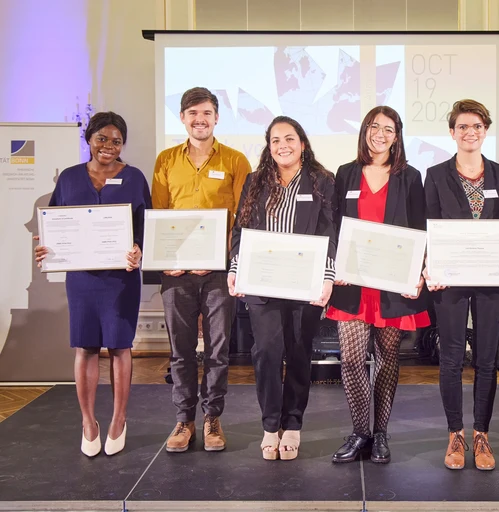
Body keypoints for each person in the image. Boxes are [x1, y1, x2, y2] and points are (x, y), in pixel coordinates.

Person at [34, 112, 150, 457]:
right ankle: (88, 422)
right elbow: (54, 224)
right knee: (84, 347)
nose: (108, 146)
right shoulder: (70, 178)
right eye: (102, 138)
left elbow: (145, 226)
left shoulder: (134, 177)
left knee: (120, 347)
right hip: (82, 280)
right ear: (89, 139)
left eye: (116, 141)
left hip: (120, 279)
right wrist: (46, 248)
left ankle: (118, 420)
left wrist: (139, 249)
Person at [424, 99, 499, 471]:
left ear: (486, 131)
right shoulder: (435, 175)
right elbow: (428, 224)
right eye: (464, 126)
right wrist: (429, 265)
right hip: (449, 279)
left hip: (492, 279)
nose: (471, 132)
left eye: (478, 126)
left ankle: (482, 434)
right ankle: (456, 434)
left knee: (487, 359)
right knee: (451, 359)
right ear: (452, 132)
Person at [227, 116, 336, 461]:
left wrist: (327, 277)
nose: (282, 145)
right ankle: (270, 425)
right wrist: (235, 267)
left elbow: (329, 232)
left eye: (289, 138)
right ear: (268, 147)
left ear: (302, 143)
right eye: (275, 140)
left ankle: (293, 424)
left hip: (305, 282)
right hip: (263, 282)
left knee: (300, 352)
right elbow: (241, 228)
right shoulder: (255, 180)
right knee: (267, 352)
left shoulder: (322, 180)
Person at [327, 106, 429, 464]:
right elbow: (333, 226)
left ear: (396, 136)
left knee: (387, 360)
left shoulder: (410, 177)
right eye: (374, 126)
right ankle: (360, 433)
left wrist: (417, 272)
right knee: (352, 360)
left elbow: (419, 228)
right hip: (352, 283)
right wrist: (333, 265)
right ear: (364, 131)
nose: (380, 134)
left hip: (391, 283)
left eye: (388, 128)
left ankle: (381, 433)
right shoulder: (345, 173)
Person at [152, 87, 251, 453]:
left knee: (218, 351)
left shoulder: (236, 160)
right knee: (180, 351)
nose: (200, 119)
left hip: (218, 272)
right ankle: (184, 420)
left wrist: (219, 256)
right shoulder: (165, 160)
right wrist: (168, 260)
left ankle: (212, 418)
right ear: (182, 118)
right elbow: (159, 216)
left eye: (207, 112)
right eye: (193, 113)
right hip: (175, 274)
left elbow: (243, 218)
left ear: (217, 117)